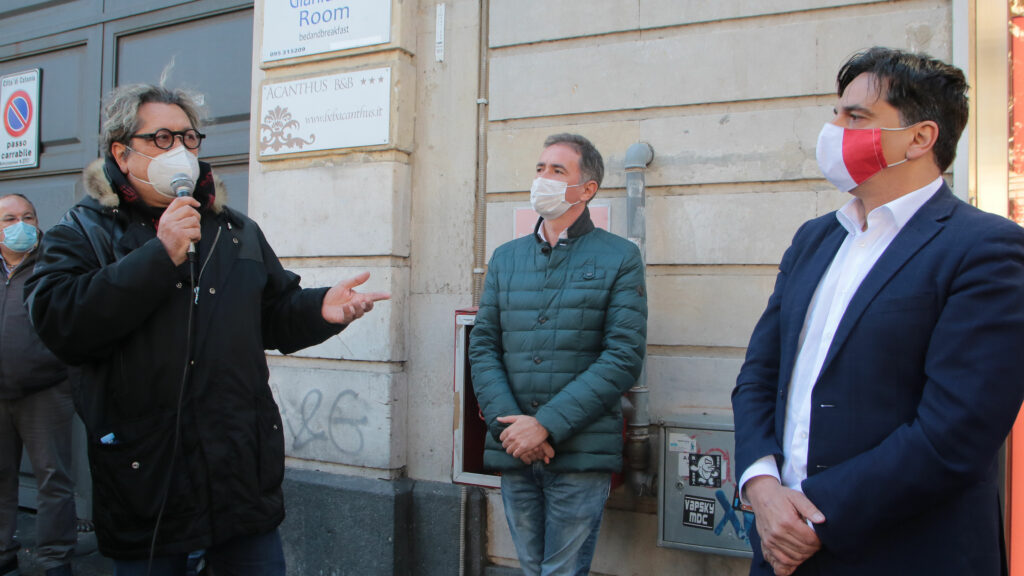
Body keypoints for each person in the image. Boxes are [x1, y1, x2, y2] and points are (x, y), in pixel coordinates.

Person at [24, 84, 390, 576]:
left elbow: (272, 314)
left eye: (188, 138)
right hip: (147, 478)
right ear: (122, 153)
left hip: (236, 471)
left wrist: (318, 310)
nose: (179, 150)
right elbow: (61, 323)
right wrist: (160, 256)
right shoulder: (82, 232)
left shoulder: (235, 230)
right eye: (161, 138)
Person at [732, 47, 1024, 576]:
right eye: (836, 113)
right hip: (778, 546)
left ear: (920, 137)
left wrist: (814, 518)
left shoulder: (986, 248)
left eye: (856, 116)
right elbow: (759, 376)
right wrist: (761, 486)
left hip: (904, 551)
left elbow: (955, 433)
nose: (834, 130)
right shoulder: (815, 239)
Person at [469, 133, 647, 576]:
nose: (542, 178)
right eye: (540, 168)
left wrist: (545, 424)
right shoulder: (506, 258)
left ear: (587, 189)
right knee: (531, 568)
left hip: (580, 453)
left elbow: (623, 357)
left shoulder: (619, 257)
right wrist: (512, 429)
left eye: (557, 170)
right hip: (515, 449)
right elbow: (484, 345)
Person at [0, 194, 75, 576]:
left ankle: (54, 560)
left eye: (28, 217)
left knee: (53, 479)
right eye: (9, 219)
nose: (21, 225)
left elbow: (75, 317)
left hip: (46, 390)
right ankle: (3, 553)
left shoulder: (55, 261)